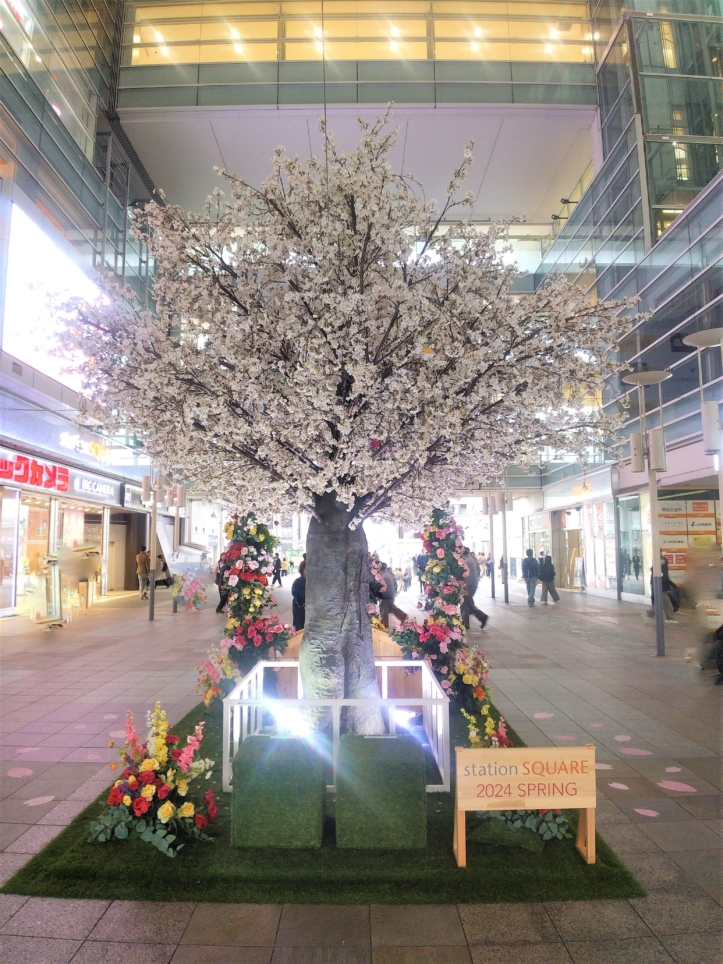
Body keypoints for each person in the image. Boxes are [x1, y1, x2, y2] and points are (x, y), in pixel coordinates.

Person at [461, 547, 488, 629]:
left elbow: (469, 576)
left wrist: (467, 588)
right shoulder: (469, 559)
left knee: (465, 604)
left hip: (468, 587)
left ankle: (466, 623)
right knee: (468, 605)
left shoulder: (467, 562)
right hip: (469, 586)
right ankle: (481, 617)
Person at [379, 562, 407, 628]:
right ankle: (403, 616)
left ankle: (385, 624)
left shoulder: (384, 576)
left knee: (384, 609)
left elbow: (383, 588)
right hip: (390, 595)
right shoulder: (387, 574)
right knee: (391, 608)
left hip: (387, 596)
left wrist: (380, 597)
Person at [291, 561, 306, 632]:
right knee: (300, 629)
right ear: (302, 570)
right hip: (300, 610)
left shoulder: (314, 582)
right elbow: (297, 595)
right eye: (306, 569)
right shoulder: (297, 582)